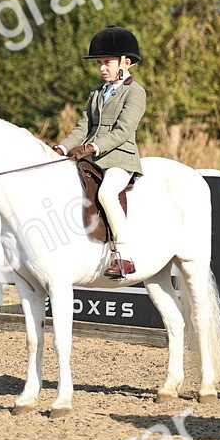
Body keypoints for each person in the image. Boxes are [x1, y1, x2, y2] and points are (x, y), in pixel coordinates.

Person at [54, 25, 146, 279]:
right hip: (91, 158)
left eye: (107, 62)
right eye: (100, 64)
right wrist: (62, 146)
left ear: (125, 62)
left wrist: (95, 146)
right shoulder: (96, 93)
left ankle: (125, 257)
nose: (102, 68)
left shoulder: (136, 93)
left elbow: (124, 130)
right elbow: (84, 126)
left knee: (106, 194)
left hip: (120, 159)